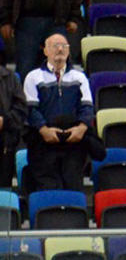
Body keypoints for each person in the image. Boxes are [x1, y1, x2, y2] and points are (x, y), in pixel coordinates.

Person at [23, 33, 94, 192]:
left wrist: (81, 129)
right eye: (55, 46)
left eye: (64, 46)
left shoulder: (79, 77)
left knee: (73, 188)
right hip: (43, 143)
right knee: (48, 189)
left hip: (73, 142)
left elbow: (87, 107)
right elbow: (30, 109)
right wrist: (44, 130)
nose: (60, 49)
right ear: (45, 51)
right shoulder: (33, 77)